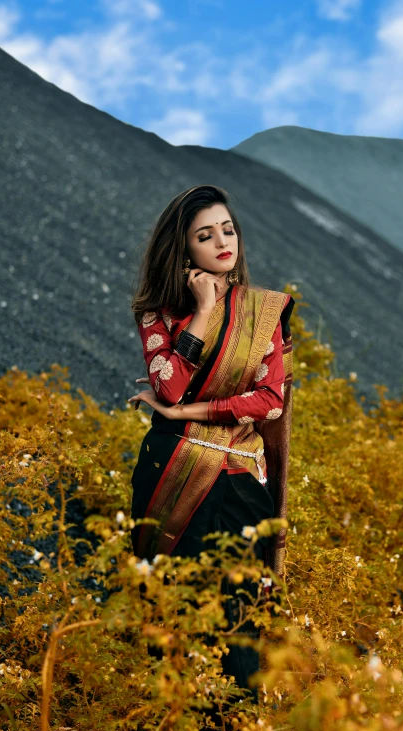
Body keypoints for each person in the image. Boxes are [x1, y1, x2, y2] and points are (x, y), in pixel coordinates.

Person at [127, 184, 295, 704]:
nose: (224, 241)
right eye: (206, 235)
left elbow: (269, 400)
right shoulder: (159, 314)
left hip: (240, 481)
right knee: (171, 608)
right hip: (171, 473)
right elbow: (167, 385)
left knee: (236, 617)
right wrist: (202, 310)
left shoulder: (262, 313)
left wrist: (190, 413)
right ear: (185, 250)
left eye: (228, 229)